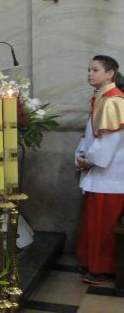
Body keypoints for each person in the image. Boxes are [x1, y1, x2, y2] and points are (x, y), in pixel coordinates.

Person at [74, 55, 124, 284]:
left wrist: (88, 160)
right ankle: (90, 263)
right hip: (100, 173)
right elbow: (90, 134)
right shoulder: (101, 97)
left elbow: (109, 143)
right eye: (88, 69)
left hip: (111, 175)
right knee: (94, 223)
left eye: (95, 70)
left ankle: (103, 268)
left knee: (104, 225)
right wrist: (80, 154)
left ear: (109, 74)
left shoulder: (114, 101)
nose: (89, 74)